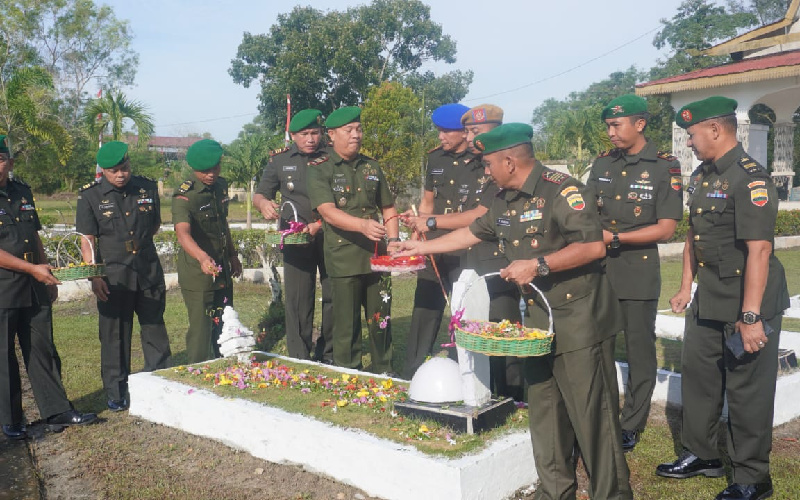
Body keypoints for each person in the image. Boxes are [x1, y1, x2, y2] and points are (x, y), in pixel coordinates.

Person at [390, 123, 632, 499]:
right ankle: (555, 492)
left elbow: (592, 248)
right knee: (546, 413)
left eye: (488, 164)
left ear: (509, 160)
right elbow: (473, 231)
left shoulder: (564, 191)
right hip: (538, 324)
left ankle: (611, 494)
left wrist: (539, 265)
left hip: (581, 321)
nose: (485, 172)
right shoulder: (504, 198)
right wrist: (421, 248)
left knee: (593, 419)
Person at [656, 97, 789, 500]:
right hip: (709, 295)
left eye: (693, 135)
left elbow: (760, 251)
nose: (690, 142)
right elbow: (694, 238)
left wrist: (750, 317)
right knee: (700, 380)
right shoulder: (702, 177)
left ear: (716, 129)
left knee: (747, 390)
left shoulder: (750, 178)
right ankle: (703, 455)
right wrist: (684, 286)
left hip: (747, 297)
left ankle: (752, 477)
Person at [585, 94, 683, 451]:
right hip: (598, 270)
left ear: (639, 124)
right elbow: (586, 211)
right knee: (598, 344)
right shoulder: (602, 164)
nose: (610, 133)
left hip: (637, 270)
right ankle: (601, 411)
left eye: (616, 125)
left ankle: (632, 421)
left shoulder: (662, 166)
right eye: (608, 126)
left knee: (640, 349)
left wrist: (616, 238)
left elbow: (666, 228)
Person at [0, 135, 97, 439]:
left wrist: (47, 274)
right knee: (3, 357)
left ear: (10, 162)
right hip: (4, 288)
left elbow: (35, 236)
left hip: (36, 283)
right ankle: (11, 420)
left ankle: (57, 410)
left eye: (1, 159)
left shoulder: (22, 192)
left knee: (43, 349)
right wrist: (33, 269)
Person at [76, 141, 172, 411]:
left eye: (125, 168)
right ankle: (118, 391)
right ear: (103, 171)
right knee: (115, 335)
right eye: (114, 171)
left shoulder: (147, 188)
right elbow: (88, 240)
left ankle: (160, 379)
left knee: (154, 327)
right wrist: (94, 275)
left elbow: (153, 225)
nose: (121, 174)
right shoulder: (90, 197)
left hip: (147, 269)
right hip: (113, 275)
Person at [306, 106, 399, 373]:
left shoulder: (372, 166)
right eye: (349, 130)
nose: (356, 135)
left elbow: (388, 208)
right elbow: (327, 212)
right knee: (346, 324)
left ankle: (384, 369)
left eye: (358, 129)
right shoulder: (319, 168)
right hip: (343, 256)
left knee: (381, 318)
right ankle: (349, 373)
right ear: (332, 135)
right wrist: (362, 225)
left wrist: (392, 242)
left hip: (377, 256)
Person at [400, 103, 474, 379]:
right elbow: (428, 201)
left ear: (464, 132)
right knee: (425, 308)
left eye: (447, 131)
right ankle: (413, 372)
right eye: (439, 131)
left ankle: (460, 372)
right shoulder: (436, 159)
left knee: (463, 310)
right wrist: (417, 232)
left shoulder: (482, 161)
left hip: (465, 248)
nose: (441, 137)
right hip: (433, 248)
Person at [254, 109, 333, 363]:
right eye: (304, 134)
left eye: (314, 133)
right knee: (298, 297)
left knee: (334, 293)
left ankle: (328, 352)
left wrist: (320, 224)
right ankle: (299, 355)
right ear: (293, 135)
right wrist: (263, 204)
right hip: (296, 237)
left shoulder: (332, 156)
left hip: (330, 233)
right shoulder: (280, 160)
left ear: (321, 133)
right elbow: (261, 193)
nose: (310, 139)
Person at [172, 139, 242, 364]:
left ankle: (224, 365)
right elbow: (183, 233)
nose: (212, 174)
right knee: (202, 328)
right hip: (198, 272)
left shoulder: (221, 186)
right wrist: (202, 257)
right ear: (194, 169)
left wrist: (232, 255)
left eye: (215, 167)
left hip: (221, 267)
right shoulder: (185, 195)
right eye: (205, 170)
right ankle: (198, 371)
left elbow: (223, 224)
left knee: (224, 320)